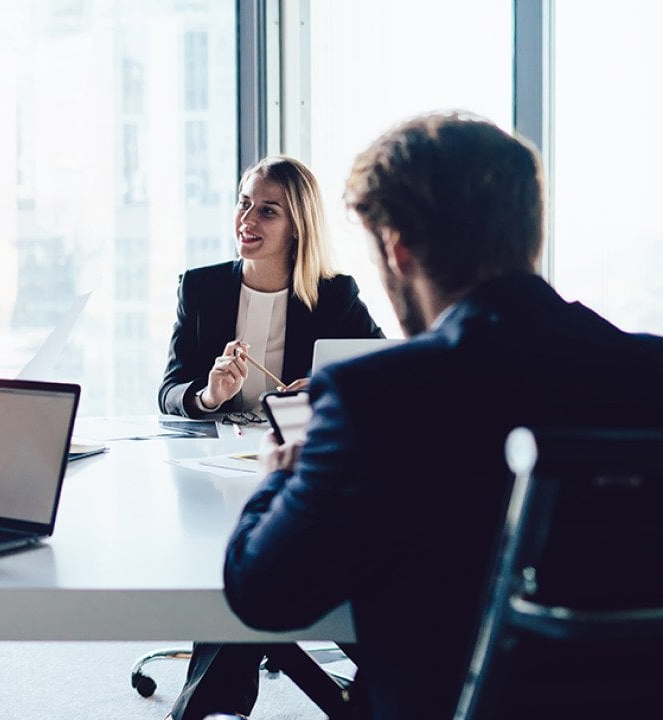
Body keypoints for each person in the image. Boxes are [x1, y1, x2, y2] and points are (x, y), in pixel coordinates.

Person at [222, 112, 663, 719]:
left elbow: (263, 594)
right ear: (529, 232)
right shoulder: (651, 372)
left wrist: (278, 473)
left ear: (397, 250)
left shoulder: (371, 398)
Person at [158, 155, 383, 720]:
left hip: (297, 464)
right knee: (244, 554)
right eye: (243, 202)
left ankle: (209, 707)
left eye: (267, 210)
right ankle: (217, 703)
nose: (246, 218)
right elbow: (168, 391)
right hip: (217, 464)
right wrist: (208, 394)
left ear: (298, 225)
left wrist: (327, 386)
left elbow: (380, 371)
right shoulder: (203, 287)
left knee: (260, 561)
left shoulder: (333, 295)